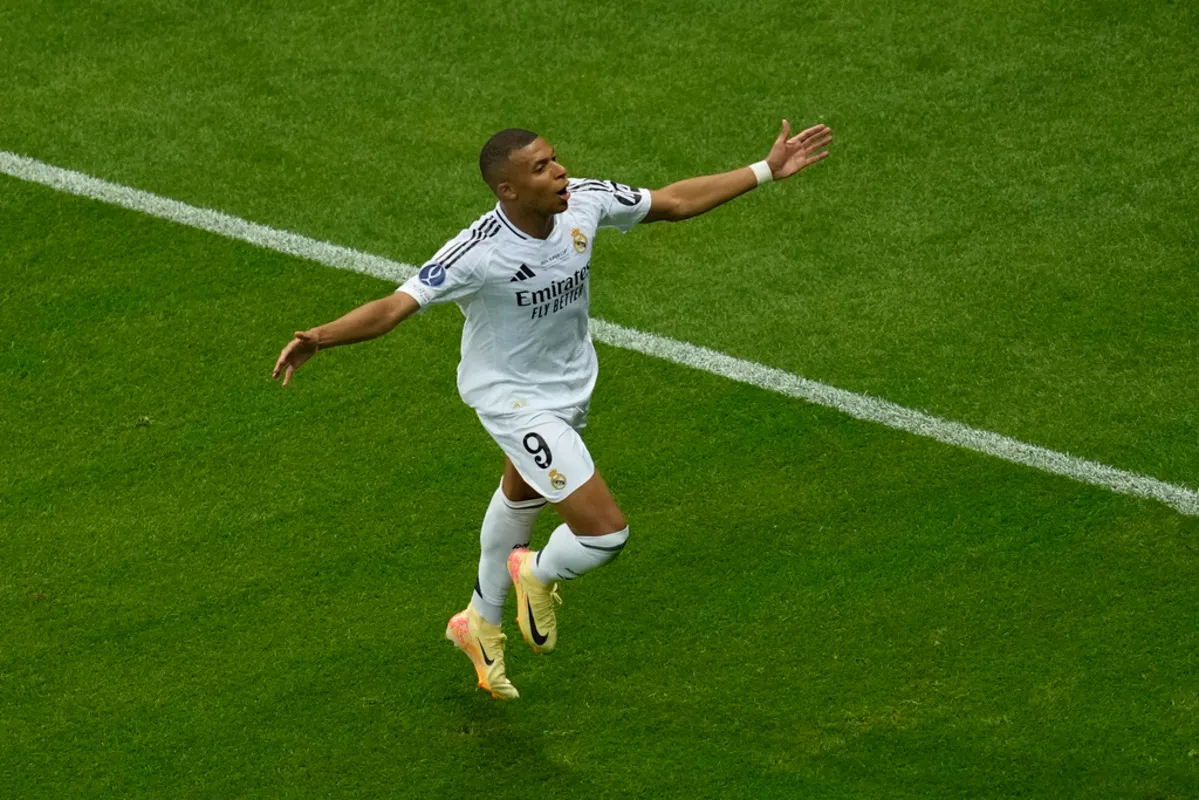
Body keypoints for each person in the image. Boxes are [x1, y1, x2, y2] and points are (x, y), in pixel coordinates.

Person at [272, 121, 832, 699]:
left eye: (555, 159)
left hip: (570, 386)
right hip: (512, 399)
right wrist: (321, 335)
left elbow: (673, 201)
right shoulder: (478, 252)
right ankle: (534, 571)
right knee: (604, 536)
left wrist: (765, 169)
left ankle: (478, 624)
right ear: (507, 190)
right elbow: (395, 307)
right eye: (541, 168)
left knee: (521, 495)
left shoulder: (583, 202)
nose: (560, 171)